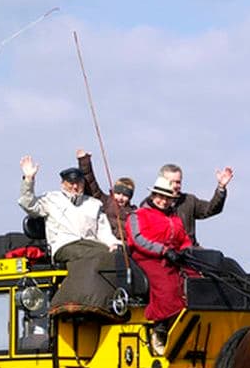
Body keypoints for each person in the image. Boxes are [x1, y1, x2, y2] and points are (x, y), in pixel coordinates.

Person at [125, 175, 195, 354]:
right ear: (153, 195)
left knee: (195, 280)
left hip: (173, 258)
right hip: (147, 258)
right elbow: (138, 240)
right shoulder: (138, 215)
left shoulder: (174, 218)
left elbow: (183, 239)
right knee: (168, 286)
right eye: (160, 197)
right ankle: (160, 330)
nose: (163, 201)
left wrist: (187, 251)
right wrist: (163, 251)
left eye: (167, 198)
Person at [17, 155, 119, 262]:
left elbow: (103, 231)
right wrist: (28, 179)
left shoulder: (94, 204)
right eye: (71, 183)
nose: (75, 187)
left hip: (91, 244)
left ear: (83, 183)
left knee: (114, 256)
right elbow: (27, 203)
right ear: (63, 183)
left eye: (78, 183)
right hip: (64, 245)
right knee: (95, 255)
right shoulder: (51, 199)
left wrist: (113, 244)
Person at [157, 162, 233, 246]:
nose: (175, 185)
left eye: (178, 182)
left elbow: (211, 209)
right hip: (163, 252)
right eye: (171, 182)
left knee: (218, 258)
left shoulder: (188, 200)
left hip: (190, 251)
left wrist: (221, 187)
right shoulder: (152, 204)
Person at [76, 149, 136, 239]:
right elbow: (91, 185)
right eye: (118, 193)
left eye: (125, 195)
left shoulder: (134, 213)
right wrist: (84, 162)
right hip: (107, 244)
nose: (121, 197)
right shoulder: (106, 201)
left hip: (127, 247)